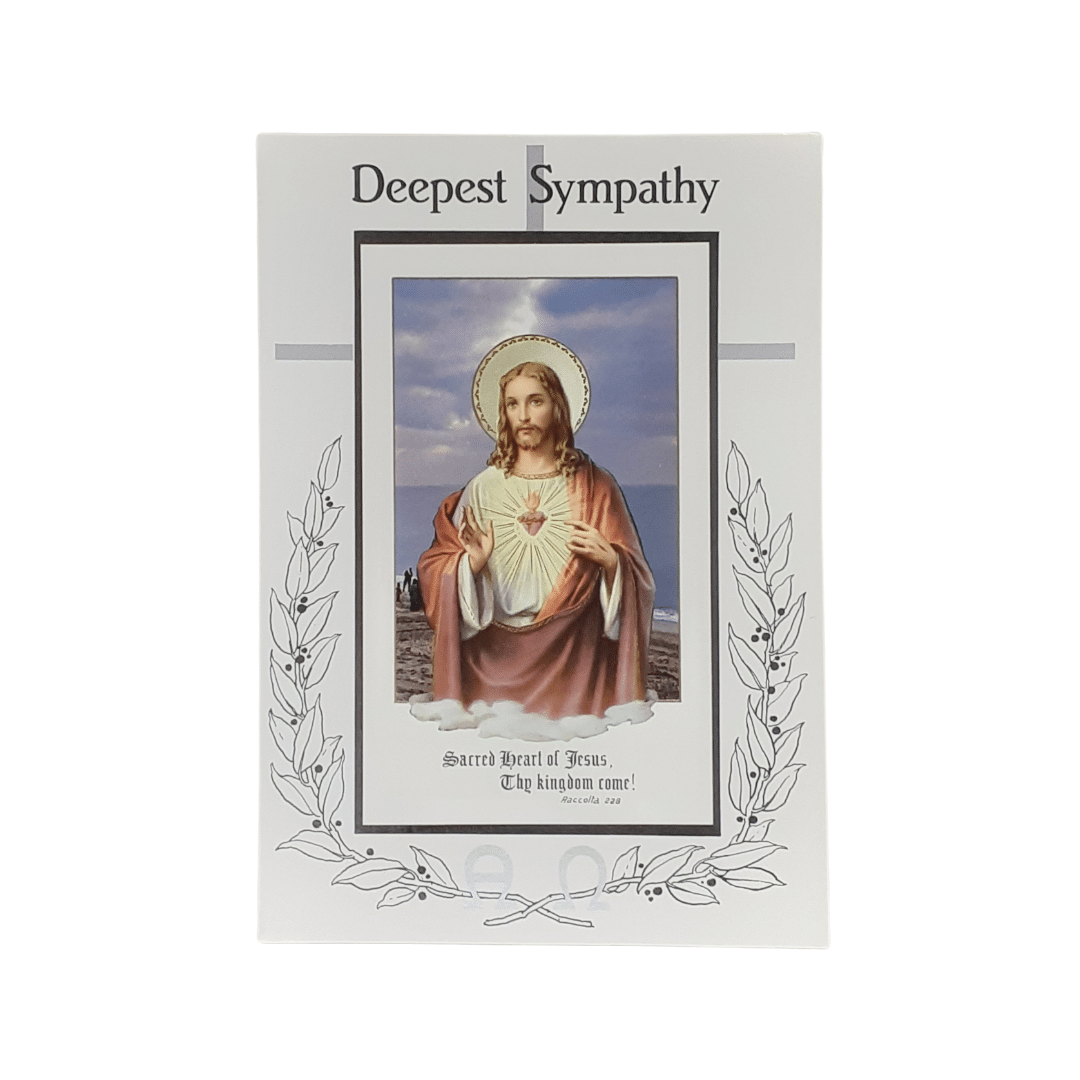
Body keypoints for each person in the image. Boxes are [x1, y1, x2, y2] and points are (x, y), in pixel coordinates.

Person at [412, 337, 656, 738]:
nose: (523, 415)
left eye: (535, 401)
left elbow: (639, 577)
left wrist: (613, 563)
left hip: (574, 662)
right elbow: (435, 568)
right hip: (490, 667)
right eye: (512, 404)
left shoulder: (596, 487)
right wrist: (469, 566)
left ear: (557, 406)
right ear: (502, 413)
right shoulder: (482, 487)